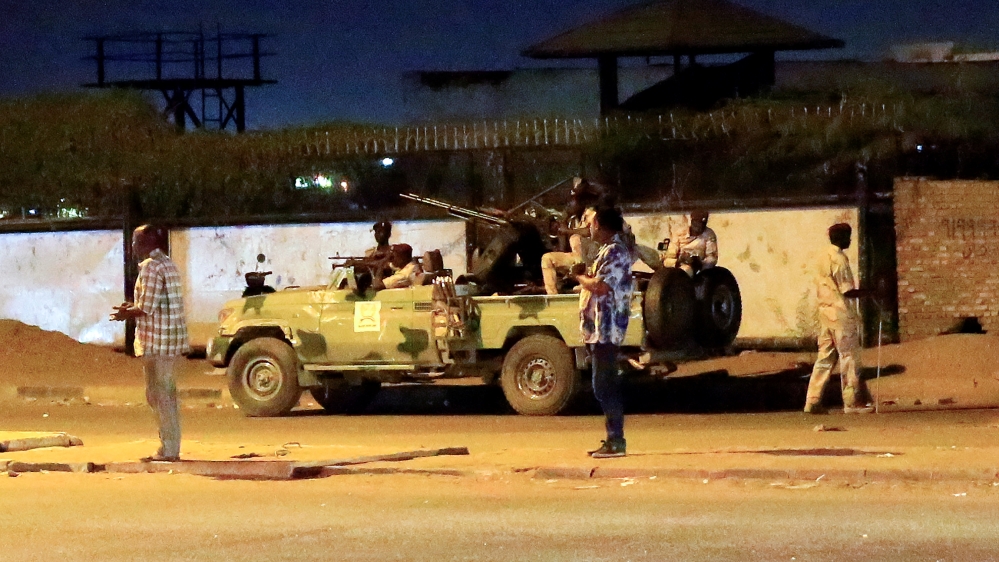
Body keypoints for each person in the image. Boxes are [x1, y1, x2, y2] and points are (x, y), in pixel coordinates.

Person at [111, 225, 190, 462]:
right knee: (166, 394)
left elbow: (146, 307)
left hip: (156, 342)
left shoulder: (150, 267)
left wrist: (125, 313)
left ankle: (168, 449)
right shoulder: (169, 264)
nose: (132, 247)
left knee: (158, 395)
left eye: (135, 242)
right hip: (171, 341)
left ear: (147, 243)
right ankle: (170, 447)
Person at [574, 206, 635, 458]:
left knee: (604, 386)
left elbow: (600, 286)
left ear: (599, 224)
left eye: (590, 221)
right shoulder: (608, 251)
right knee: (603, 385)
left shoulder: (615, 252)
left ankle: (616, 441)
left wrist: (580, 277)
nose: (588, 227)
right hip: (600, 330)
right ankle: (613, 439)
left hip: (607, 330)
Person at [804, 223, 873, 415]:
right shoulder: (840, 259)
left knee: (824, 358)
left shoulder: (821, 256)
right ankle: (852, 401)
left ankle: (812, 400)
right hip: (840, 314)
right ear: (841, 238)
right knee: (849, 357)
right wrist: (870, 292)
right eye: (848, 236)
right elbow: (847, 290)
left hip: (824, 313)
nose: (849, 240)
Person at [540, 177, 601, 294]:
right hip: (577, 258)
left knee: (572, 240)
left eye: (574, 199)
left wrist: (567, 231)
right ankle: (553, 296)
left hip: (591, 258)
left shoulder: (593, 213)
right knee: (547, 258)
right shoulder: (572, 219)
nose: (571, 203)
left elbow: (589, 232)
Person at [664, 210, 718, 276]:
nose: (700, 226)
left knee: (687, 271)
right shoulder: (680, 233)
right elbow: (669, 257)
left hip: (698, 268)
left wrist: (700, 265)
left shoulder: (709, 234)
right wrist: (678, 261)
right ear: (692, 221)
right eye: (697, 222)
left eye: (703, 223)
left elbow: (711, 257)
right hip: (678, 265)